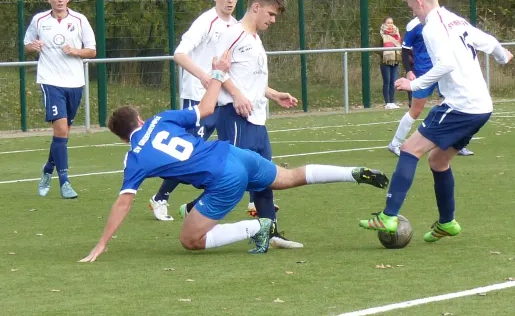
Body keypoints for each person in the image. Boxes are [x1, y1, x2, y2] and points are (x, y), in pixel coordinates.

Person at [79, 51, 389, 262]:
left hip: (224, 180)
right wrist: (217, 73)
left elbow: (124, 201)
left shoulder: (135, 156)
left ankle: (259, 227)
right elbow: (206, 109)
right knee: (290, 176)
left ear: (122, 137)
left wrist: (103, 242)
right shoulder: (161, 119)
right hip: (233, 153)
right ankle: (353, 172)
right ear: (141, 120)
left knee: (190, 240)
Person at [359, 0, 512, 242]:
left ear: (420, 2)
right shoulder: (455, 20)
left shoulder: (431, 27)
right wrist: (504, 56)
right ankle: (447, 222)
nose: (413, 14)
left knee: (409, 150)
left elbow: (446, 65)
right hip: (481, 106)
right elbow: (488, 41)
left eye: (411, 8)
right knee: (438, 161)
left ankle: (388, 215)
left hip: (461, 105)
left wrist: (414, 83)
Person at [179, 0, 302, 249]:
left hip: (256, 119)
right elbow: (218, 73)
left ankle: (271, 231)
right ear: (256, 7)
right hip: (234, 116)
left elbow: (249, 80)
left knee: (264, 177)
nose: (272, 20)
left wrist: (273, 94)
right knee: (234, 177)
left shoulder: (255, 38)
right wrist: (236, 95)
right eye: (270, 14)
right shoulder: (232, 34)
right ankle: (193, 210)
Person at [147, 0, 239, 221]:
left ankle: (218, 202)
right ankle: (160, 198)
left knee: (231, 151)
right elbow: (179, 54)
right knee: (188, 153)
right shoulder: (205, 23)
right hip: (199, 100)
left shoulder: (236, 26)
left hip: (224, 99)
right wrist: (203, 76)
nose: (230, 1)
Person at [24, 0, 96, 199]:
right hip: (50, 81)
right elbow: (27, 45)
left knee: (62, 134)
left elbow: (92, 51)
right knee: (61, 130)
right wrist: (32, 47)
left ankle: (47, 170)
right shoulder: (39, 20)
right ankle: (65, 182)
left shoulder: (79, 20)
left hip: (75, 83)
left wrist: (75, 51)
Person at [387, 18, 474, 157]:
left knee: (456, 105)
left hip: (443, 71)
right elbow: (405, 50)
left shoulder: (442, 19)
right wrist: (409, 70)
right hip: (424, 73)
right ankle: (395, 143)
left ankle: (456, 144)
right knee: (416, 110)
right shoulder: (414, 25)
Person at [379, 17, 402, 110]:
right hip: (385, 60)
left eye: (391, 23)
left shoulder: (397, 33)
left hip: (395, 59)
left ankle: (392, 101)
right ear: (384, 24)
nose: (390, 25)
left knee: (393, 82)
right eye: (388, 23)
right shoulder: (381, 34)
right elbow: (378, 47)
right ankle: (387, 102)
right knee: (387, 82)